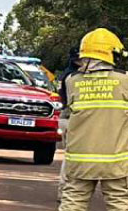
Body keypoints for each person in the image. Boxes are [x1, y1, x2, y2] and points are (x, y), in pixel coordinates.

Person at [54, 28, 128, 211]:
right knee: (120, 204)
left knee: (73, 201)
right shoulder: (127, 80)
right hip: (115, 158)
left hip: (80, 157)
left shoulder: (72, 81)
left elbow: (68, 109)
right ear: (111, 54)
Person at [57, 46, 82, 202]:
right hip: (71, 117)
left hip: (66, 116)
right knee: (73, 156)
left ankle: (66, 189)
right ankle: (66, 189)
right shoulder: (74, 77)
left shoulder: (65, 74)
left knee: (71, 155)